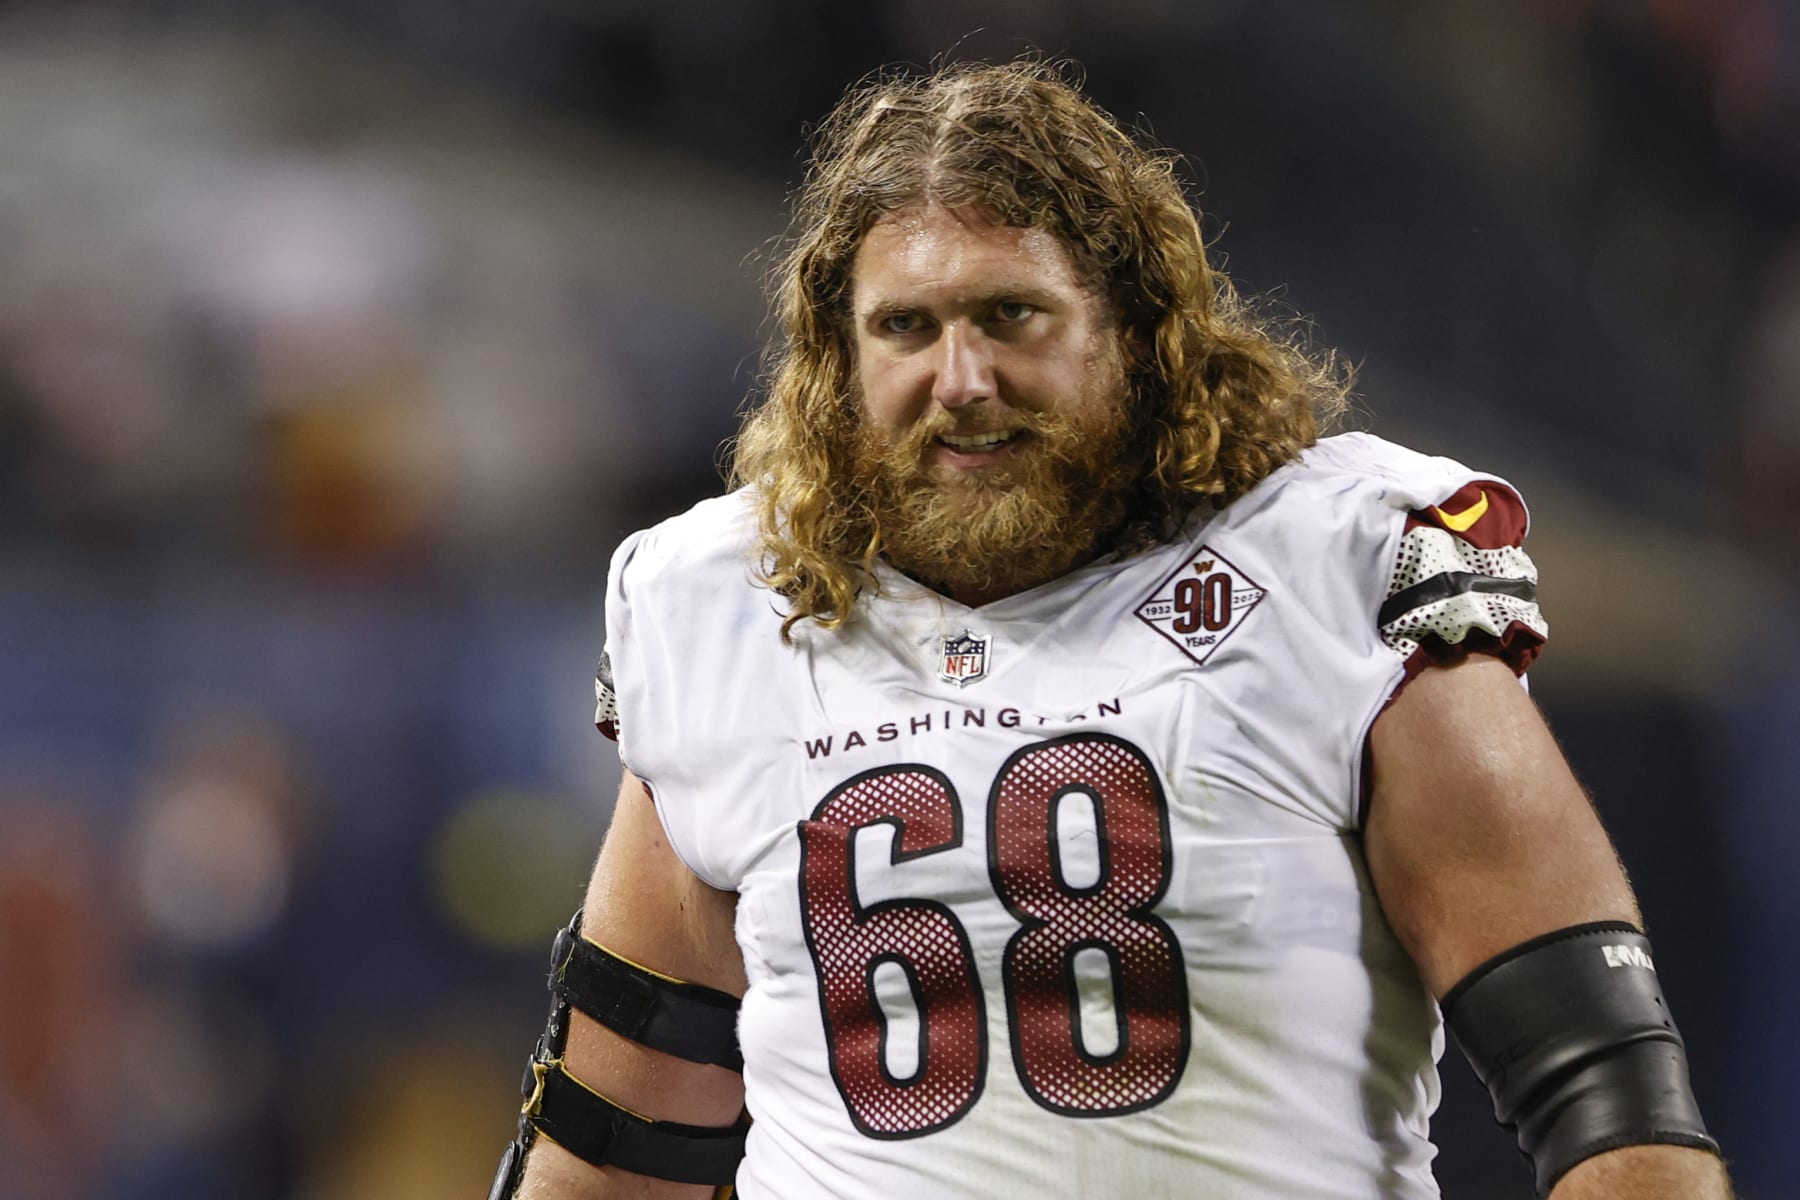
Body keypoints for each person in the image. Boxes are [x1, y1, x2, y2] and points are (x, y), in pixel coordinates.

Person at [490, 61, 1730, 1200]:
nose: (962, 378)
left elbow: (1609, 1097)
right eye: (906, 328)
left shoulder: (1337, 565)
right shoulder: (723, 606)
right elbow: (615, 1145)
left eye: (1012, 316)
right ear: (836, 359)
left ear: (1135, 330)